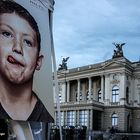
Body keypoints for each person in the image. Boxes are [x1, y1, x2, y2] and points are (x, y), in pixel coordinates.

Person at [0, 0, 54, 122]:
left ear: (38, 62)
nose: (18, 48)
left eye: (27, 42)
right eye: (7, 34)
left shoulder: (46, 119)